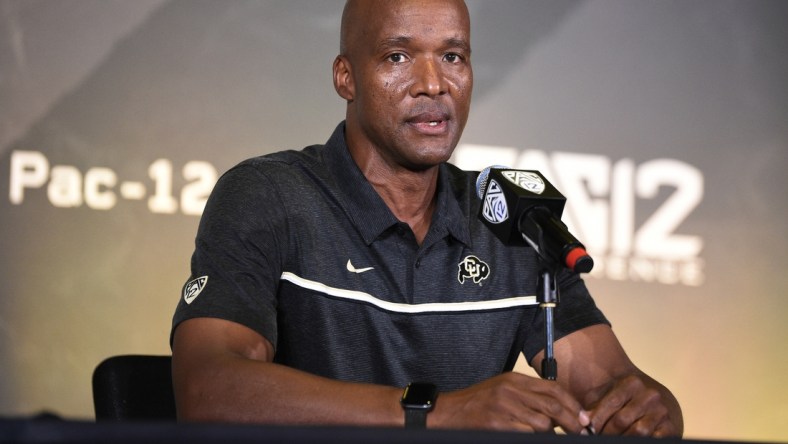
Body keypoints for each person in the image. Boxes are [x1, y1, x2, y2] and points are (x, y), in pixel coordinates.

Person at [171, 0, 683, 436]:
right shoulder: (270, 195)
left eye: (453, 56)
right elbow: (208, 388)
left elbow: (615, 387)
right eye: (398, 56)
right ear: (346, 77)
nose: (433, 84)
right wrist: (435, 412)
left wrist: (653, 409)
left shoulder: (508, 217)